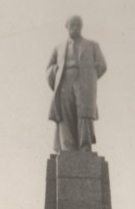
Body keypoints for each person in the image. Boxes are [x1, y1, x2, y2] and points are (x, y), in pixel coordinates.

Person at [46, 15, 107, 153]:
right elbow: (48, 68)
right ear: (66, 27)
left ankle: (85, 146)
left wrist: (89, 77)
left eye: (78, 25)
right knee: (65, 114)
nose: (75, 28)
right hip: (64, 82)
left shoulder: (92, 45)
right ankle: (68, 147)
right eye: (72, 25)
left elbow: (102, 65)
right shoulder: (58, 48)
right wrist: (55, 73)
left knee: (84, 114)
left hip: (83, 83)